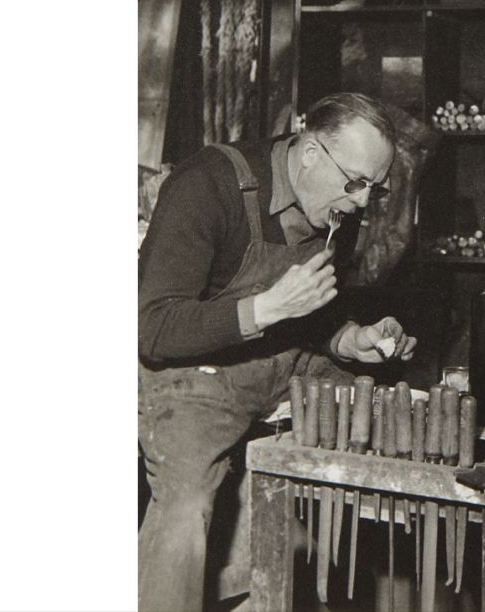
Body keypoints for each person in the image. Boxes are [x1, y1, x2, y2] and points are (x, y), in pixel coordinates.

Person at [139, 92, 420, 611]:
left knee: (387, 441)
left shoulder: (338, 203)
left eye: (374, 190)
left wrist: (350, 338)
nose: (361, 202)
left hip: (282, 365)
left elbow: (314, 316)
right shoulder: (208, 186)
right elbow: (151, 327)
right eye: (356, 183)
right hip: (192, 375)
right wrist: (263, 309)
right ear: (310, 151)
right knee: (187, 506)